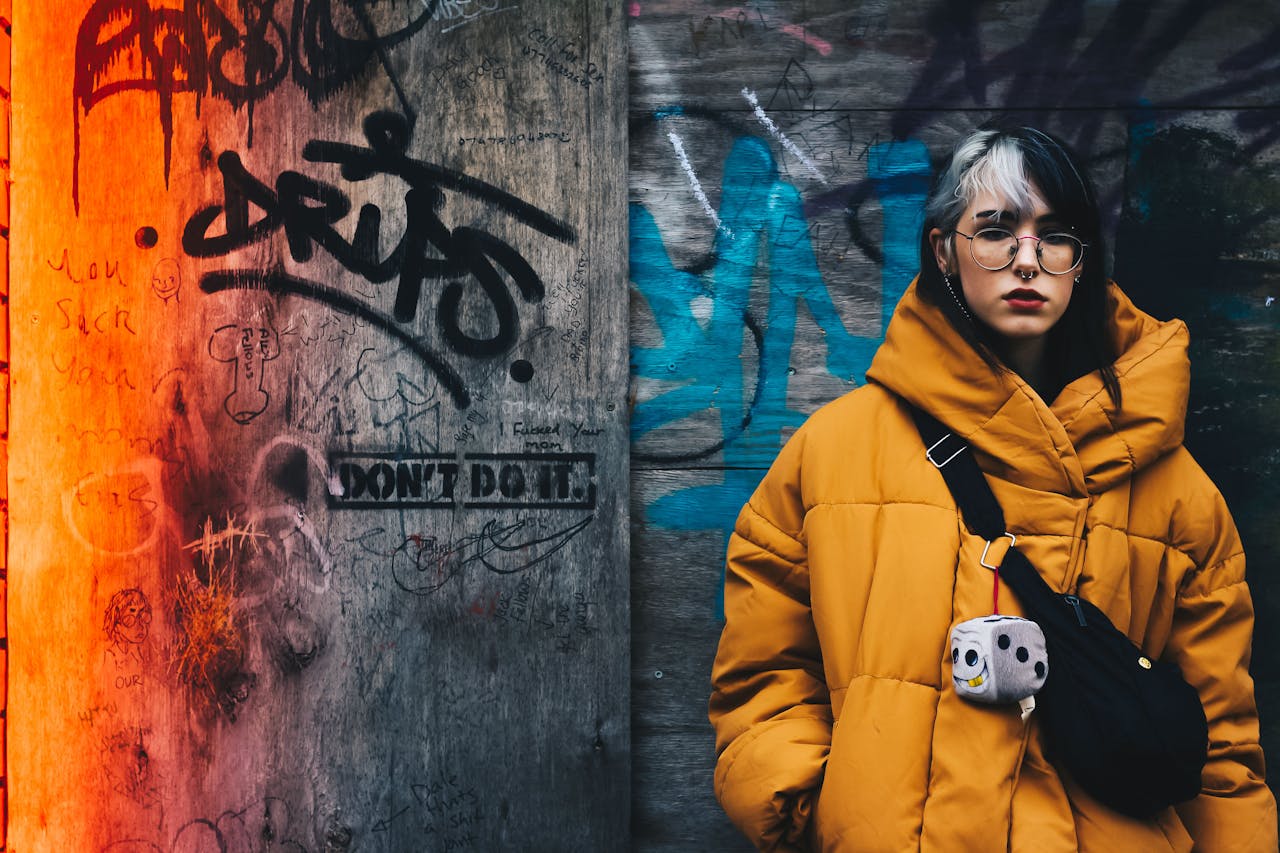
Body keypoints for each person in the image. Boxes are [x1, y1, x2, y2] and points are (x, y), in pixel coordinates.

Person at [708, 125, 1277, 851]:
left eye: (1055, 236)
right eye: (996, 231)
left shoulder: (1176, 491)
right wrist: (807, 796)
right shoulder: (836, 452)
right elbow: (763, 664)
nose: (1027, 260)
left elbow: (1221, 743)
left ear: (1083, 261)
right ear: (945, 249)